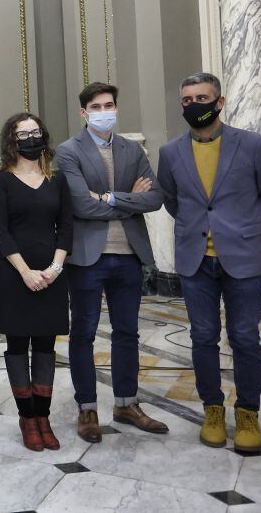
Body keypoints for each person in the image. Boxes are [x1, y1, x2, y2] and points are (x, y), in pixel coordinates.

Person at [157, 72, 261, 454]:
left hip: (244, 258)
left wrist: (245, 232)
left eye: (201, 97)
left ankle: (248, 413)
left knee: (245, 337)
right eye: (187, 99)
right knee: (202, 337)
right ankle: (212, 409)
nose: (194, 104)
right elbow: (172, 201)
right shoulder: (170, 153)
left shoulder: (254, 145)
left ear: (219, 102)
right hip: (197, 261)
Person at [55, 82, 169, 443]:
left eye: (110, 104)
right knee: (84, 333)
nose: (105, 110)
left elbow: (154, 199)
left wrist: (106, 196)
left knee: (127, 332)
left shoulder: (132, 149)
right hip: (87, 257)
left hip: (129, 255)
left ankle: (126, 403)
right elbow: (80, 205)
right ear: (84, 112)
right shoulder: (68, 151)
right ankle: (87, 407)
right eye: (97, 106)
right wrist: (125, 199)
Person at [0, 112, 73, 452]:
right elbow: (1, 231)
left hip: (51, 275)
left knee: (45, 347)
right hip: (14, 274)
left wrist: (54, 268)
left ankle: (44, 418)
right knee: (17, 346)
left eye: (36, 132)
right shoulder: (2, 180)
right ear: (11, 140)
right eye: (23, 133)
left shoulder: (58, 179)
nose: (30, 138)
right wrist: (25, 272)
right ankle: (27, 419)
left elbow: (66, 227)